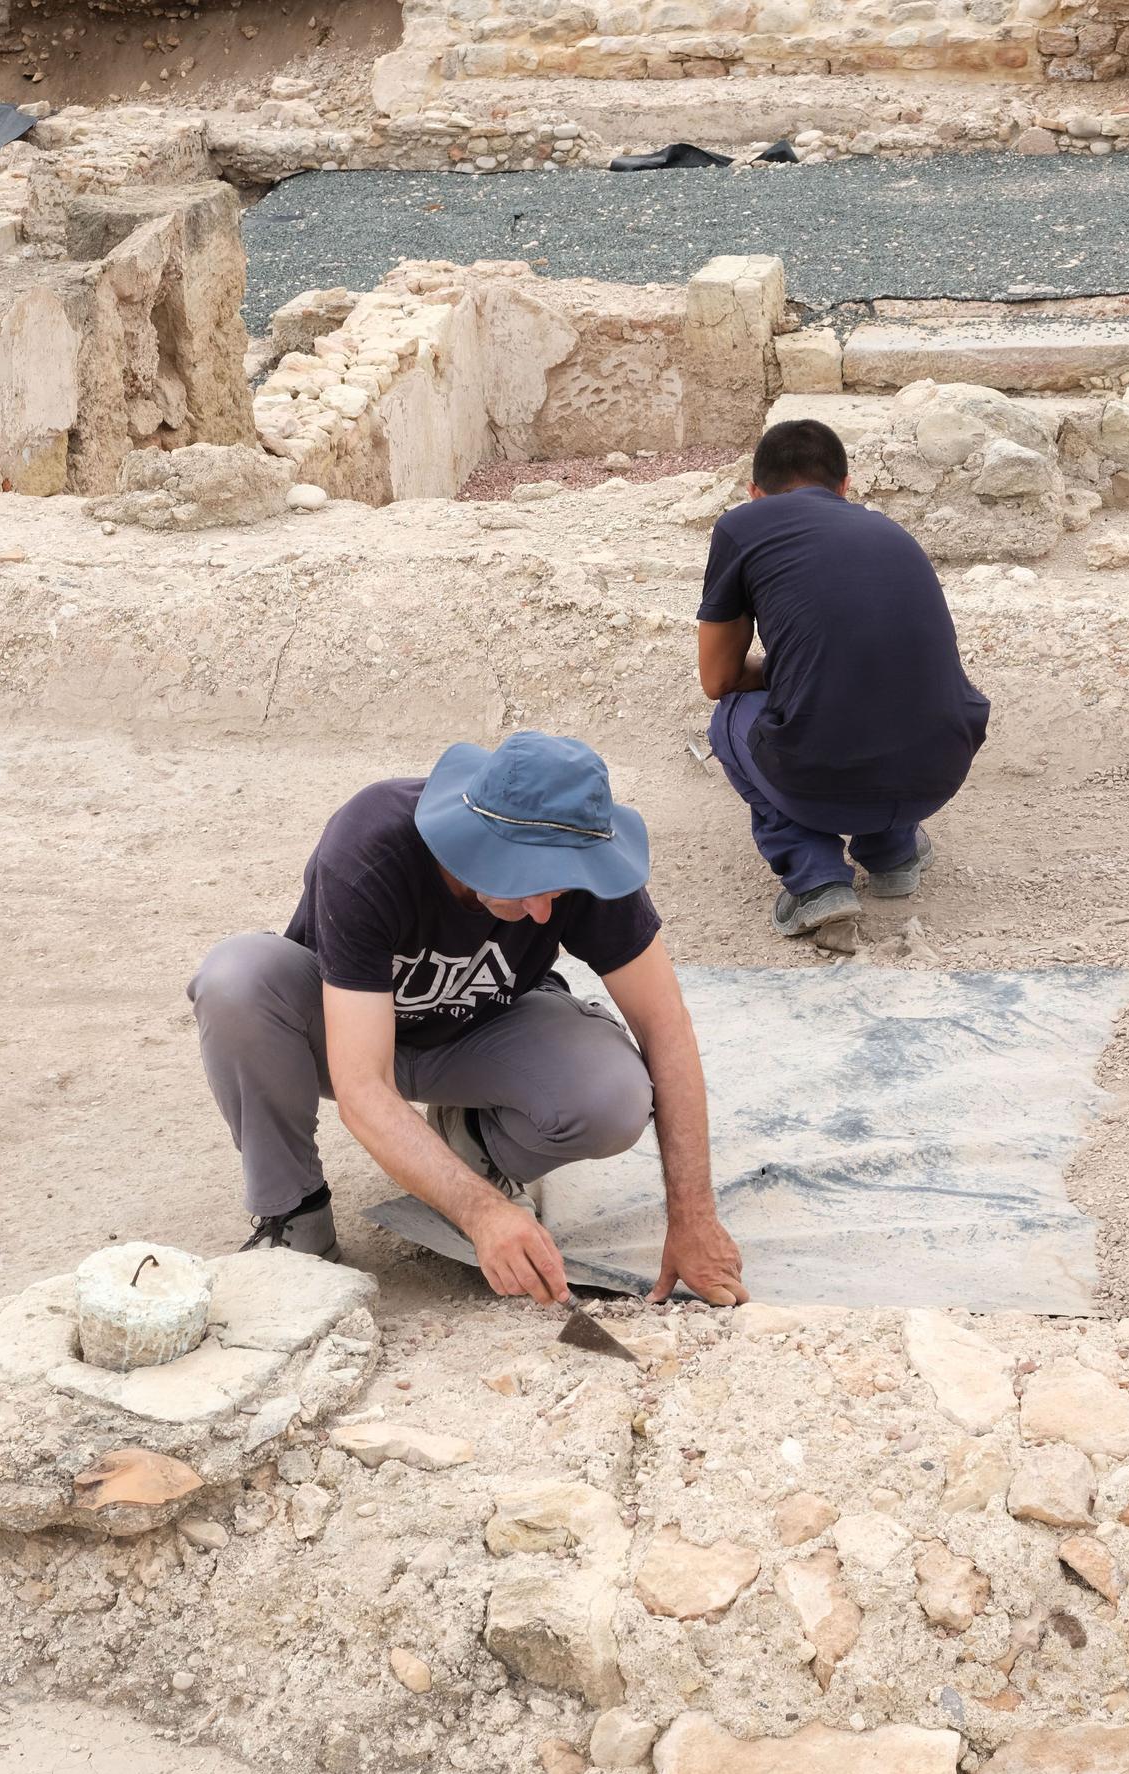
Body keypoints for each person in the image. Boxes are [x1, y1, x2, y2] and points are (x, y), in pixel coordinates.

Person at [188, 731, 747, 1310]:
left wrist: (693, 1215)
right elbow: (362, 1087)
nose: (543, 912)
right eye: (528, 884)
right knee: (237, 980)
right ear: (474, 843)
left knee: (614, 1097)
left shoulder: (579, 855)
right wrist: (484, 1214)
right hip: (339, 1036)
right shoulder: (370, 846)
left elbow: (666, 1028)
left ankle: (474, 1140)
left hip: (481, 1031)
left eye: (558, 888)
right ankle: (294, 1213)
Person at [697, 417, 990, 944]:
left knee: (730, 720)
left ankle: (817, 880)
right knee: (878, 687)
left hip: (825, 776)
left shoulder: (742, 525)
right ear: (844, 486)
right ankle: (893, 853)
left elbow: (717, 678)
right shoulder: (890, 529)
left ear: (755, 492)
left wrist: (785, 662)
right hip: (942, 767)